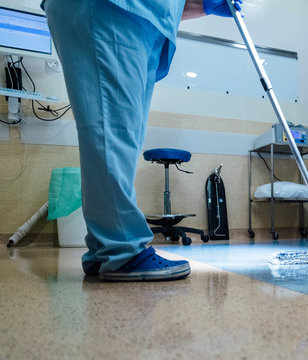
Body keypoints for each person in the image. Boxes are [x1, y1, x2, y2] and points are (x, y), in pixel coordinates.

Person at [41, 0, 242, 281]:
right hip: (113, 11)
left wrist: (204, 5)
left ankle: (105, 250)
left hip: (126, 16)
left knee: (115, 134)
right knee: (114, 131)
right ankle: (123, 251)